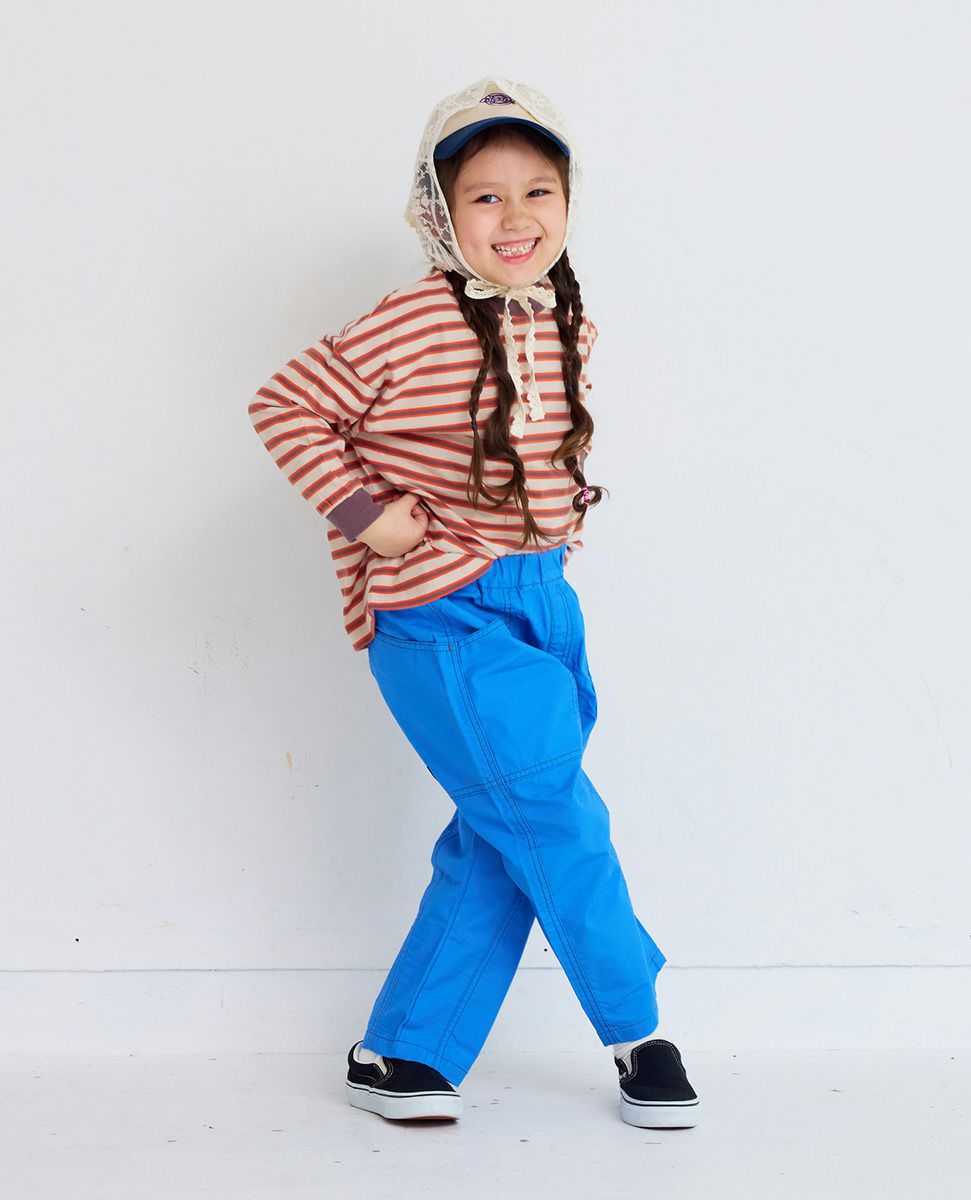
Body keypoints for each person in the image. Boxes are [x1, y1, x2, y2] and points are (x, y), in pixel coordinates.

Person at [248, 75, 700, 1129]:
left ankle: (403, 1053)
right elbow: (285, 403)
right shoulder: (410, 320)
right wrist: (366, 515)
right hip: (444, 612)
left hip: (544, 603)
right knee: (556, 818)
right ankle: (637, 1030)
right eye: (484, 196)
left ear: (569, 202)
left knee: (502, 832)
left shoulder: (565, 317)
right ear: (440, 212)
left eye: (538, 191)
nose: (514, 217)